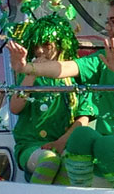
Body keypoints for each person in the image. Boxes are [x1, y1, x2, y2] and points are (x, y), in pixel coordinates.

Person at [7, 0, 114, 189]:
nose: (108, 28)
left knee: (107, 145)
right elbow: (67, 67)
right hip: (108, 151)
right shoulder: (103, 60)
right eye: (107, 21)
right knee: (81, 136)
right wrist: (27, 68)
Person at [9, 14, 93, 184]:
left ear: (61, 45)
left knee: (66, 166)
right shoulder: (27, 77)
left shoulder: (75, 77)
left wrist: (61, 142)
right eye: (37, 46)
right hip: (31, 146)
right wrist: (31, 73)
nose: (40, 51)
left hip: (64, 145)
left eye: (46, 45)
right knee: (50, 160)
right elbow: (15, 108)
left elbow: (83, 118)